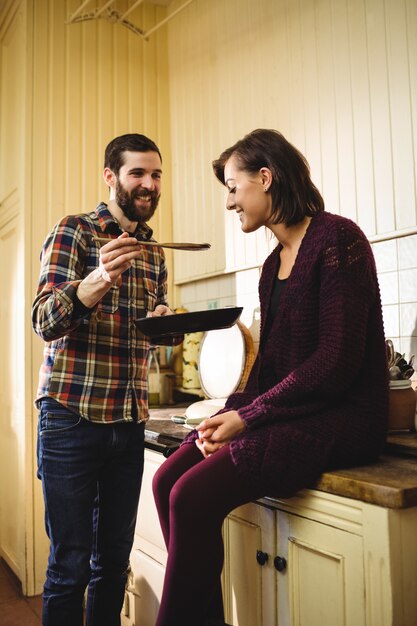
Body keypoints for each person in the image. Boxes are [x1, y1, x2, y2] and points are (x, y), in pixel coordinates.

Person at [152, 129, 389, 626]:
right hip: (292, 412)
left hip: (341, 418)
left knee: (189, 497)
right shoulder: (270, 266)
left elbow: (335, 363)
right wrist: (229, 411)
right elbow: (269, 369)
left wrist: (249, 417)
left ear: (266, 178)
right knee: (166, 479)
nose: (229, 202)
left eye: (233, 188)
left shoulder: (337, 240)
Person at [32, 133, 174, 626]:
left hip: (129, 420)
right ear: (111, 177)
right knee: (69, 566)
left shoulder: (155, 252)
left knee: (113, 564)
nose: (149, 184)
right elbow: (44, 322)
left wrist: (164, 323)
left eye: (156, 174)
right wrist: (96, 280)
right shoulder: (73, 231)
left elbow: (151, 341)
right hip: (70, 418)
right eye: (137, 173)